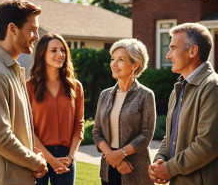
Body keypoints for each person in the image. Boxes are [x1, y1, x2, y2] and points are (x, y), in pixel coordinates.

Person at [0, 0, 48, 185]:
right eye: (32, 30)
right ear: (12, 29)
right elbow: (0, 138)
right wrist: (35, 162)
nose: (36, 36)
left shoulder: (10, 70)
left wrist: (31, 157)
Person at [149, 22, 218, 185]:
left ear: (193, 51)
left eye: (173, 48)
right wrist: (160, 159)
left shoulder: (212, 87)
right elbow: (171, 134)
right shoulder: (178, 88)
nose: (168, 55)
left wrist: (169, 169)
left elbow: (208, 144)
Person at [93, 38, 155, 185]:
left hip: (135, 169)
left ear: (135, 65)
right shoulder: (104, 95)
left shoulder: (145, 95)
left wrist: (121, 154)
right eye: (113, 59)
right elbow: (97, 131)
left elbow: (146, 135)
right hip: (108, 169)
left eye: (120, 60)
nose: (114, 64)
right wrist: (113, 158)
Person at [25, 33, 84, 185]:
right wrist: (50, 160)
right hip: (37, 157)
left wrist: (71, 157)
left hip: (66, 157)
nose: (60, 54)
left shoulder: (75, 87)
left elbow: (79, 124)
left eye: (63, 50)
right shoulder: (29, 87)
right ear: (42, 54)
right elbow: (27, 128)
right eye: (54, 50)